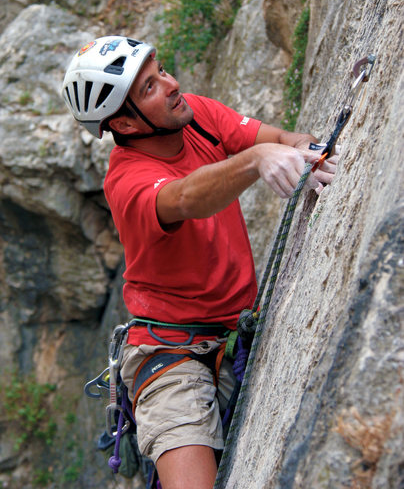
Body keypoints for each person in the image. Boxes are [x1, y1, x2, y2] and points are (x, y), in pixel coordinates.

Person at [62, 36, 338, 489]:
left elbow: (281, 140)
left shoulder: (195, 117)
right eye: (150, 87)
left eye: (162, 70)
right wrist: (254, 161)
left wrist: (305, 151)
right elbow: (188, 197)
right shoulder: (128, 182)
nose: (171, 84)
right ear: (125, 124)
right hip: (171, 358)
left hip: (233, 334)